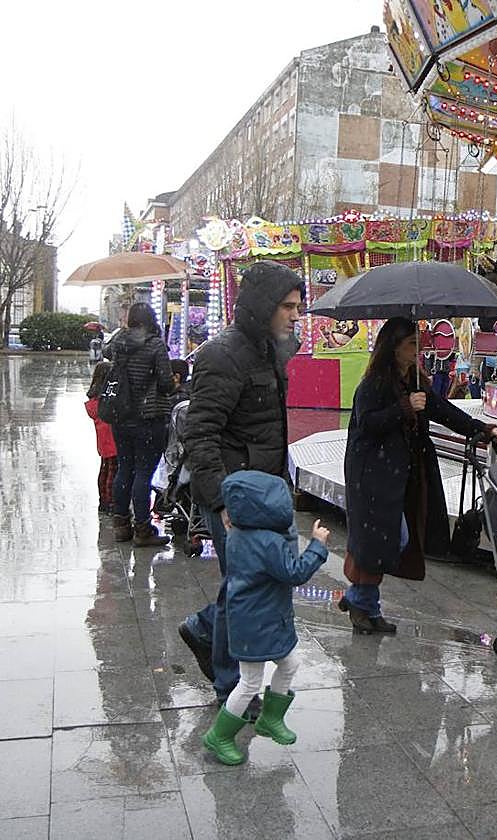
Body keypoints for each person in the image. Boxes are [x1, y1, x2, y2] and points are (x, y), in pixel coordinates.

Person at [179, 260, 305, 713]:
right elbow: (201, 433)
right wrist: (220, 499)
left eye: (297, 307)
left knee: (249, 583)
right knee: (246, 589)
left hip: (264, 491)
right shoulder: (222, 355)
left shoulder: (273, 350)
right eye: (287, 307)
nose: (294, 316)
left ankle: (203, 628)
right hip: (235, 495)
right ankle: (229, 685)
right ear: (262, 306)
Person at [341, 317, 497, 633]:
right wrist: (404, 407)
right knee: (383, 540)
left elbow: (443, 410)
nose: (418, 350)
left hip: (399, 474)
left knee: (380, 542)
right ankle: (358, 600)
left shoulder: (415, 380)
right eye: (411, 344)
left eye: (418, 343)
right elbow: (367, 422)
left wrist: (480, 429)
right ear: (393, 347)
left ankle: (365, 607)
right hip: (372, 475)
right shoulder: (374, 383)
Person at [200, 471, 330, 765]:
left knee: (290, 662)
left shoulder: (240, 532)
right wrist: (318, 545)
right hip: (256, 622)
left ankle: (271, 717)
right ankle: (219, 736)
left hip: (261, 618)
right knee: (248, 682)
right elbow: (294, 572)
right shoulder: (267, 541)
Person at [104, 302, 175, 546]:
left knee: (125, 468)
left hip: (121, 416)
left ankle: (121, 525)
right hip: (148, 416)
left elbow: (107, 357)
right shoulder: (155, 345)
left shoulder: (118, 342)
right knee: (144, 472)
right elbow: (166, 383)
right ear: (151, 319)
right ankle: (143, 529)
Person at [85, 360, 118, 515]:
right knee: (113, 470)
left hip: (103, 441)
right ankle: (111, 500)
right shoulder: (107, 402)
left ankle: (103, 500)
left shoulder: (94, 402)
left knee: (105, 468)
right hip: (112, 439)